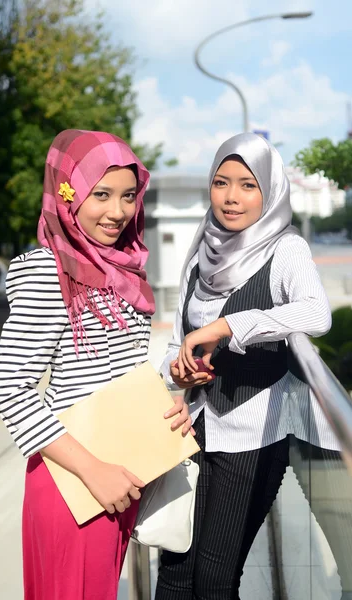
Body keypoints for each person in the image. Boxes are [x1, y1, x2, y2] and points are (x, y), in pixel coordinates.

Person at [0, 130, 192, 600]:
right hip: (74, 481)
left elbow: (113, 372)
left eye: (127, 196)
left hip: (121, 478)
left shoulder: (121, 270)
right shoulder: (50, 271)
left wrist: (170, 402)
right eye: (100, 195)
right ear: (68, 194)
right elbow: (11, 391)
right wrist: (93, 471)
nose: (118, 212)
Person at [155, 132, 340, 600]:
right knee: (175, 575)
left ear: (270, 191)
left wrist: (226, 328)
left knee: (216, 581)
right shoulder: (202, 253)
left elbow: (316, 314)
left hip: (254, 435)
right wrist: (178, 371)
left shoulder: (286, 249)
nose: (231, 196)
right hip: (194, 429)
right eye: (221, 182)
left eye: (247, 184)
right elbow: (178, 343)